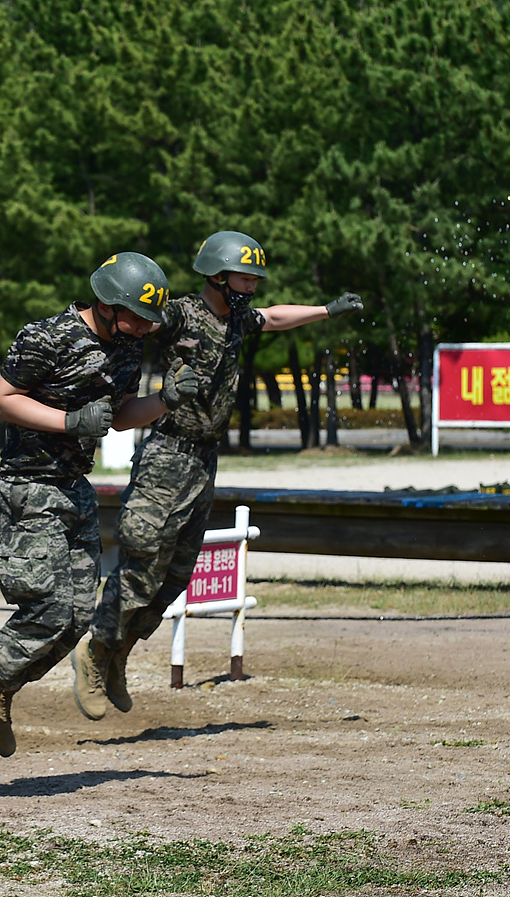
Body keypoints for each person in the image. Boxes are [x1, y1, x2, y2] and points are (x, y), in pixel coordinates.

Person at [86, 231, 363, 717]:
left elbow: (275, 317)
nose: (252, 286)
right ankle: (95, 655)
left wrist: (325, 310)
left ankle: (120, 653)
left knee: (176, 575)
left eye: (256, 279)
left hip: (203, 460)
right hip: (166, 454)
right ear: (217, 274)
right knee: (142, 563)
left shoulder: (237, 318)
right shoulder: (179, 314)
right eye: (245, 277)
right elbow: (135, 323)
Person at [0, 251, 199, 764]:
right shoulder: (46, 336)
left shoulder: (127, 348)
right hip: (29, 486)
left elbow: (122, 414)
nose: (149, 327)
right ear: (107, 305)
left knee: (80, 613)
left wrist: (165, 400)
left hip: (74, 488)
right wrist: (69, 422)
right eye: (139, 316)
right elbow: (2, 399)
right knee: (47, 606)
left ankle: (0, 694)